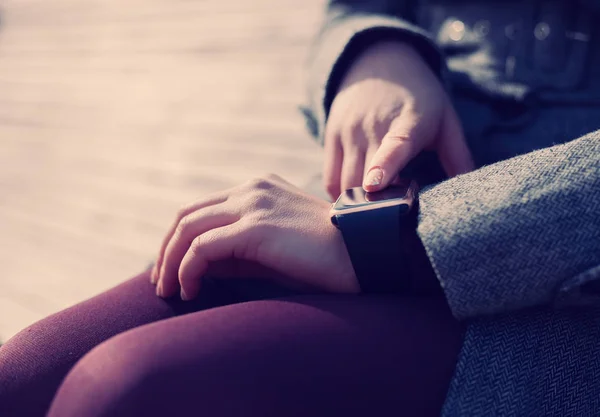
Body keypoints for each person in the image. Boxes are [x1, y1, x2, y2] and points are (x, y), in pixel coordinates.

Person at [1, 0, 600, 415]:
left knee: (131, 389)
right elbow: (355, 7)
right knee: (19, 382)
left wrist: (397, 239)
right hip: (375, 197)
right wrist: (375, 53)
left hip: (564, 286)